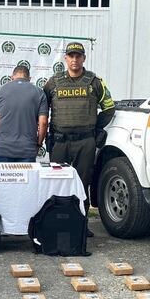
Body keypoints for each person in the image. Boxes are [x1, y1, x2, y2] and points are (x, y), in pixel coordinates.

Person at [43, 42, 115, 192]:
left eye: (78, 56)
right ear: (65, 58)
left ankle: (82, 208)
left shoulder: (95, 82)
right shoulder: (53, 82)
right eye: (71, 56)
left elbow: (109, 108)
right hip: (59, 142)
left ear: (84, 58)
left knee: (82, 184)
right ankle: (58, 208)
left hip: (85, 142)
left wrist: (95, 126)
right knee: (57, 184)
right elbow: (42, 109)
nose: (74, 59)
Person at [0, 64, 48, 162]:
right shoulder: (39, 92)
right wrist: (39, 144)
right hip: (27, 149)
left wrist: (0, 141)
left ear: (12, 77)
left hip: (3, 148)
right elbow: (43, 123)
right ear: (29, 78)